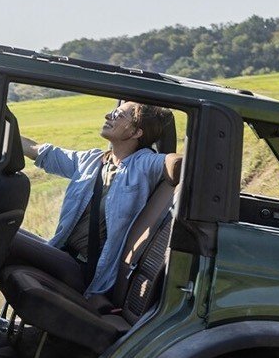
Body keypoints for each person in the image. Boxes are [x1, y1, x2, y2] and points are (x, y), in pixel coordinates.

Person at [16, 100, 181, 298]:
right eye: (113, 111)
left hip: (86, 270)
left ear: (136, 132)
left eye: (119, 115)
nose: (108, 116)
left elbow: (175, 163)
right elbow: (43, 153)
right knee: (6, 230)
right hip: (62, 252)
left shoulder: (143, 164)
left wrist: (176, 161)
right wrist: (4, 131)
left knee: (9, 241)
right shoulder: (92, 160)